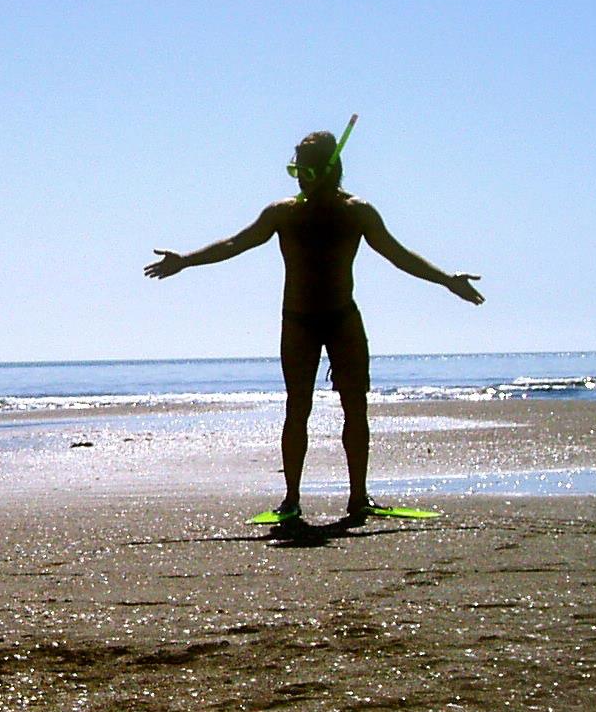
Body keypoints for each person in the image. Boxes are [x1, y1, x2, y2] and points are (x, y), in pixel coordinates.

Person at [145, 128, 484, 521]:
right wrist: (185, 260)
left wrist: (446, 280)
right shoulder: (283, 213)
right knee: (297, 408)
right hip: (299, 322)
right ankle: (291, 500)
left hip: (343, 320)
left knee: (356, 407)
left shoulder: (357, 212)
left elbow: (397, 255)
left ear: (327, 169)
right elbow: (233, 244)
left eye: (304, 170)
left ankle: (358, 498)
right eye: (295, 170)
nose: (299, 177)